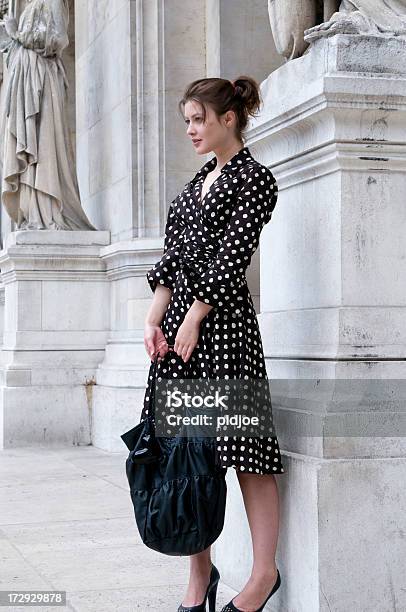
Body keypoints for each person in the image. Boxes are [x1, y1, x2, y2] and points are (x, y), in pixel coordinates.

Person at [143, 76, 283, 612]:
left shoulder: (254, 180)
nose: (191, 130)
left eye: (199, 119)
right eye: (186, 121)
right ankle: (200, 574)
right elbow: (171, 260)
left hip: (223, 335)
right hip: (179, 341)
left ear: (230, 118)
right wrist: (156, 317)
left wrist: (195, 316)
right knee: (186, 458)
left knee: (246, 453)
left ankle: (264, 573)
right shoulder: (194, 187)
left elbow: (232, 260)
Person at [1, 0, 95, 230]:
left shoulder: (52, 1)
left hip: (41, 82)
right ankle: (34, 213)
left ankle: (49, 211)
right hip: (26, 80)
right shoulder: (30, 6)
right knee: (31, 147)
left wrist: (17, 34)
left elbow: (57, 39)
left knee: (43, 145)